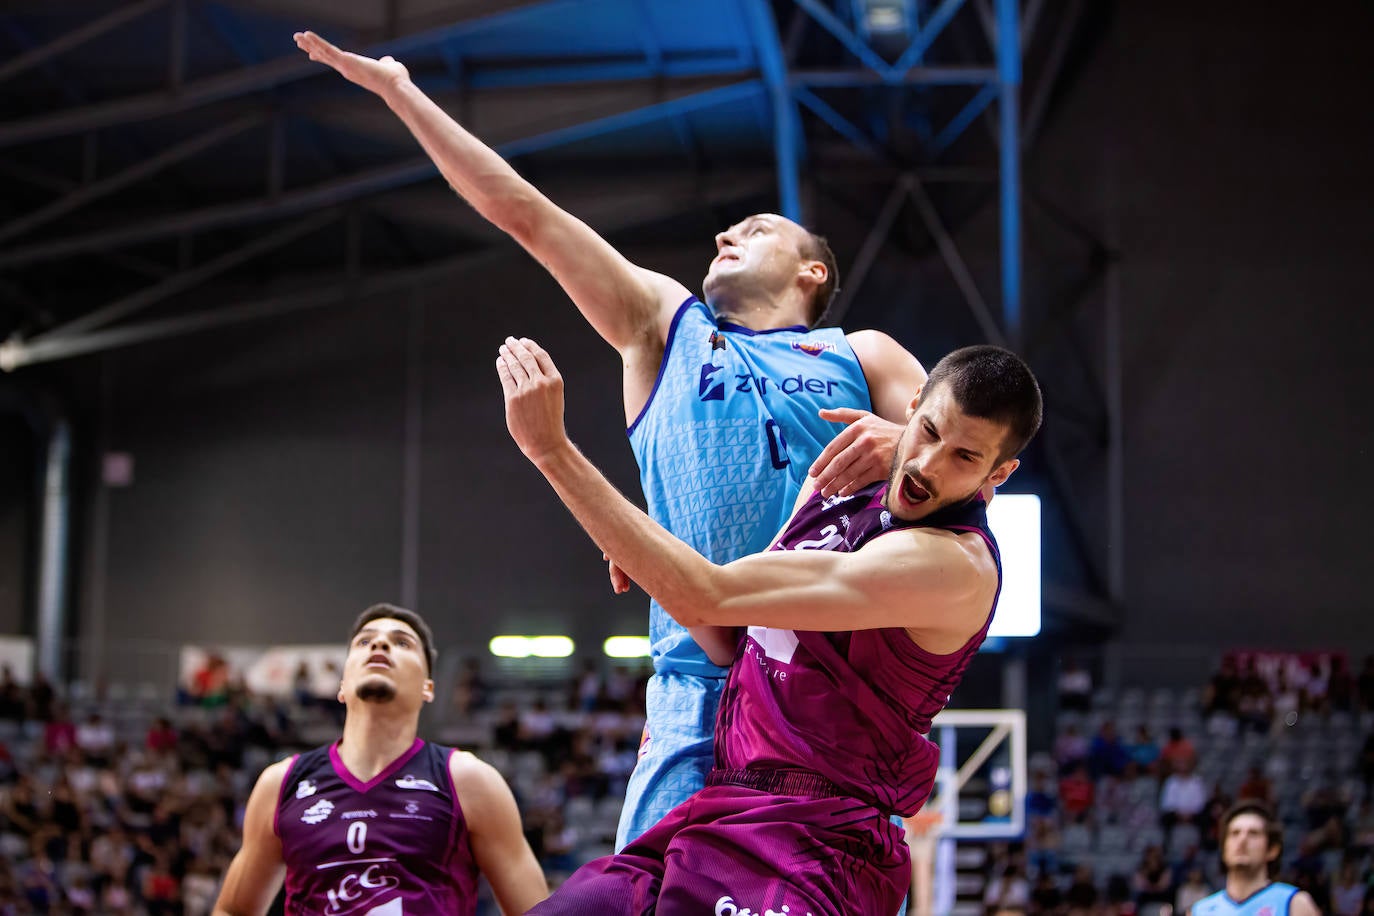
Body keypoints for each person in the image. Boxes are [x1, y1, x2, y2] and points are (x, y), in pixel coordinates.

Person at [294, 30, 930, 852]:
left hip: (832, 683)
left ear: (812, 273)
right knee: (653, 892)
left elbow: (969, 460)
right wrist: (400, 93)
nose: (725, 237)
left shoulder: (864, 353)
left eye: (756, 228)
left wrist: (906, 444)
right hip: (700, 680)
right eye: (725, 230)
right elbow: (523, 211)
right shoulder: (663, 325)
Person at [497, 336, 1041, 913]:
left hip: (815, 845)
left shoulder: (952, 565)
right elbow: (726, 636)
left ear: (998, 473)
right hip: (718, 810)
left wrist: (552, 451)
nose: (929, 466)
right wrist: (642, 549)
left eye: (966, 457)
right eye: (931, 432)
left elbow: (706, 595)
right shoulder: (838, 488)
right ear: (910, 411)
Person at [211, 604, 546, 915]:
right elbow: (233, 910)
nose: (380, 645)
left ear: (428, 687)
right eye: (365, 641)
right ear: (342, 685)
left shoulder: (470, 780)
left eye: (402, 643)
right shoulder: (281, 783)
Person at [1187, 800, 1320, 916]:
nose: (1242, 840)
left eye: (1253, 833)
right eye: (1235, 833)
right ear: (1224, 849)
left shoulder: (1293, 903)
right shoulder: (1200, 911)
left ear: (1272, 850)